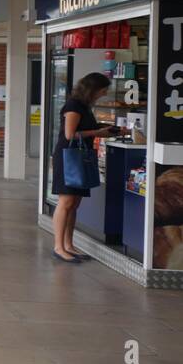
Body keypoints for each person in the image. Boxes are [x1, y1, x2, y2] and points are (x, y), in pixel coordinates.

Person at [51, 72, 119, 262]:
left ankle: (69, 244)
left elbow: (87, 128)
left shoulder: (85, 107)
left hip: (81, 157)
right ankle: (58, 246)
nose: (104, 94)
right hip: (68, 158)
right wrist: (97, 132)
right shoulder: (73, 106)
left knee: (74, 204)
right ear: (93, 89)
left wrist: (108, 129)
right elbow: (70, 134)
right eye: (103, 90)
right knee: (66, 202)